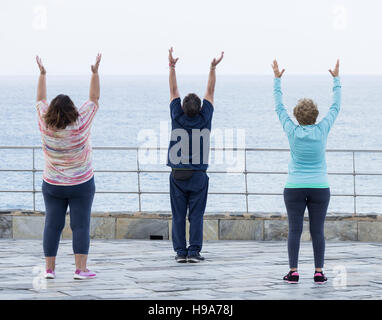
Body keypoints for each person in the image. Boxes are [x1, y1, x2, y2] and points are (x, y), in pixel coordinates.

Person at [271, 59, 341, 284]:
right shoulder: (322, 129)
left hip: (294, 187)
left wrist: (277, 80)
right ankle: (319, 272)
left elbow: (279, 107)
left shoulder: (292, 130)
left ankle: (293, 272)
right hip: (320, 187)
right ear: (315, 115)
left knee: (295, 230)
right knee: (317, 231)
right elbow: (336, 107)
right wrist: (336, 80)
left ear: (298, 116)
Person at [35, 54, 102, 280]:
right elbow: (94, 98)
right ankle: (80, 269)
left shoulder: (45, 124)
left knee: (52, 225)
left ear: (52, 110)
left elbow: (40, 99)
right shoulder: (81, 123)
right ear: (73, 110)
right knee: (80, 225)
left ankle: (49, 270)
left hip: (53, 183)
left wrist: (42, 74)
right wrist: (94, 73)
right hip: (81, 183)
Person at [167, 47, 223, 263]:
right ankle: (194, 252)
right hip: (199, 174)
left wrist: (172, 66)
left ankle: (180, 252)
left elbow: (173, 89)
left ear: (182, 107)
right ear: (200, 108)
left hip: (178, 174)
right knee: (196, 214)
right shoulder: (205, 117)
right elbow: (210, 90)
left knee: (179, 214)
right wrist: (212, 67)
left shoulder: (176, 115)